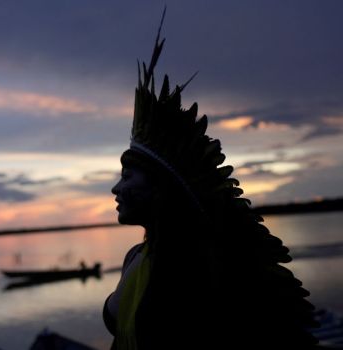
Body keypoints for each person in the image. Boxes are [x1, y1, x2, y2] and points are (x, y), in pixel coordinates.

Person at [103, 16, 319, 350]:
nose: (116, 190)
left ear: (161, 188)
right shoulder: (137, 256)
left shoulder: (207, 267)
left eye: (127, 176)